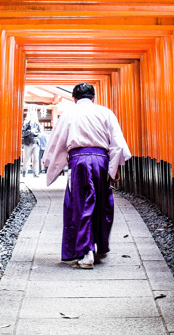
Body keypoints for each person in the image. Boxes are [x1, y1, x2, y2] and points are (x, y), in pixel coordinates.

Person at [42, 83, 132, 269]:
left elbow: (57, 142)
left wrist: (53, 164)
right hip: (101, 160)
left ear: (74, 99)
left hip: (79, 162)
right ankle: (99, 246)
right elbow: (117, 143)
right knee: (102, 204)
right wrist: (113, 168)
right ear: (93, 98)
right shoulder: (105, 112)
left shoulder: (68, 114)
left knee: (81, 204)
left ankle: (86, 252)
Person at [21, 109, 41, 176]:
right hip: (28, 143)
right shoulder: (26, 124)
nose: (32, 116)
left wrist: (37, 133)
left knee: (36, 159)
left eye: (33, 115)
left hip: (36, 143)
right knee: (27, 158)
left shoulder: (37, 124)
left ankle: (36, 173)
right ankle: (24, 171)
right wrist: (30, 131)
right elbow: (23, 133)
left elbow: (40, 133)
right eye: (30, 115)